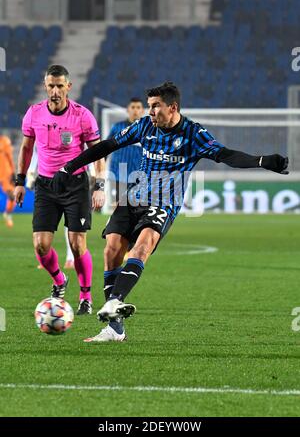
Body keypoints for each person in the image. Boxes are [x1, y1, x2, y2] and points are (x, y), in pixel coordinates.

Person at [51, 81, 289, 341]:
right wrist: (69, 166)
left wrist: (262, 161)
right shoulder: (144, 126)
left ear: (173, 107)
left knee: (141, 247)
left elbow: (225, 155)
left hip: (164, 202)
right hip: (133, 198)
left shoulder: (193, 134)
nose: (150, 112)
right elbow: (107, 146)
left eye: (155, 107)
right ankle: (114, 328)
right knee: (112, 249)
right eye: (149, 106)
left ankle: (114, 301)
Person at [14, 64, 105, 315]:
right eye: (51, 86)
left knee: (77, 245)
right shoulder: (34, 114)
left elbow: (98, 153)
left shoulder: (82, 115)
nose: (55, 91)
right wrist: (20, 181)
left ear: (68, 87)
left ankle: (85, 295)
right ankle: (59, 280)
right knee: (41, 246)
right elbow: (26, 149)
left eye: (59, 86)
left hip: (76, 184)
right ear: (45, 86)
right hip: (45, 184)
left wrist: (99, 186)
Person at [107, 97, 144, 206]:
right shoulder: (117, 127)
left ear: (142, 111)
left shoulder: (147, 130)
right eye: (133, 107)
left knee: (136, 209)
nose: (135, 110)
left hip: (138, 176)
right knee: (117, 208)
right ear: (128, 110)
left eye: (138, 107)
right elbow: (105, 149)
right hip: (118, 175)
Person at [0, 134, 16, 228]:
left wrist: (13, 172)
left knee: (12, 196)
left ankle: (8, 214)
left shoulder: (5, 141)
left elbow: (10, 157)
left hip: (5, 173)